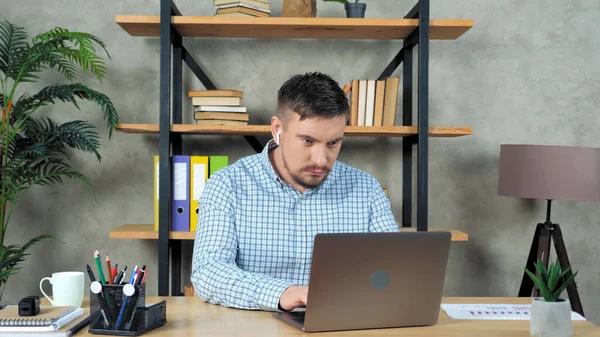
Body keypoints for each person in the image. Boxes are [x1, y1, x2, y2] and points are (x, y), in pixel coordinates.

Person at [190, 72, 399, 312]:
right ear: (277, 129)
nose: (321, 160)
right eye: (308, 141)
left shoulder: (367, 190)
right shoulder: (227, 185)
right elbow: (208, 272)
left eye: (333, 143)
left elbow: (393, 270)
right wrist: (281, 293)